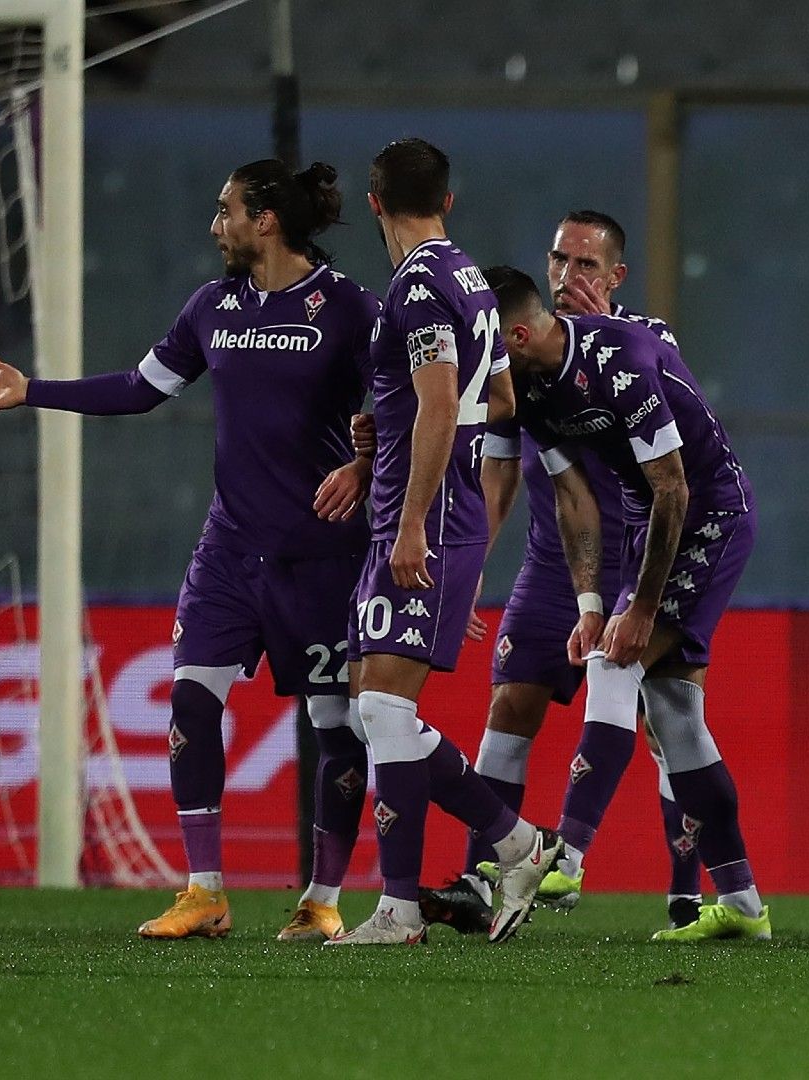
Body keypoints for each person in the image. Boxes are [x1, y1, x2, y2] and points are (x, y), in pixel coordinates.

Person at [0, 160, 378, 943]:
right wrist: (32, 391)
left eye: (226, 211)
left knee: (333, 724)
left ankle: (320, 900)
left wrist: (364, 462)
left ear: (267, 221)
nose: (215, 225)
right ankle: (205, 891)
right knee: (189, 701)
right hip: (229, 550)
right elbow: (142, 388)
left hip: (320, 555)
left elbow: (406, 400)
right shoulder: (211, 307)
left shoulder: (349, 308)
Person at [417, 210, 704, 935]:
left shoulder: (648, 342)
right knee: (509, 704)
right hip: (555, 562)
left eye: (586, 265)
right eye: (559, 260)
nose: (569, 276)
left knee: (671, 722)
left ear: (616, 277)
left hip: (644, 554)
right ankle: (485, 878)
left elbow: (687, 452)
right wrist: (467, 568)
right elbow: (501, 474)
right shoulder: (515, 355)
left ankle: (685, 893)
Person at [487, 265, 771, 943]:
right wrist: (590, 601)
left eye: (486, 343)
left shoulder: (621, 360)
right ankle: (742, 903)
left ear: (519, 335)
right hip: (651, 524)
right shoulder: (529, 390)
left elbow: (674, 487)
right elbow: (576, 501)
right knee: (676, 718)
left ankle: (570, 854)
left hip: (710, 514)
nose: (479, 360)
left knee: (616, 664)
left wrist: (638, 610)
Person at [326, 138, 562, 947]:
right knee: (371, 703)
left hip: (419, 513)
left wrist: (414, 520)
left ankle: (411, 900)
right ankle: (517, 845)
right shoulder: (470, 279)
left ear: (373, 201)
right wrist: (384, 426)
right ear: (448, 201)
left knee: (385, 706)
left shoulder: (423, 285)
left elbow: (438, 405)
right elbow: (496, 398)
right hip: (423, 503)